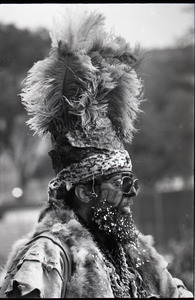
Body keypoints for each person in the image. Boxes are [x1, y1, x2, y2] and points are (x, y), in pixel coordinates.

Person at [0, 9, 193, 298]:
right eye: (122, 183)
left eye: (132, 183)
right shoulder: (48, 254)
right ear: (85, 192)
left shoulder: (138, 255)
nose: (132, 194)